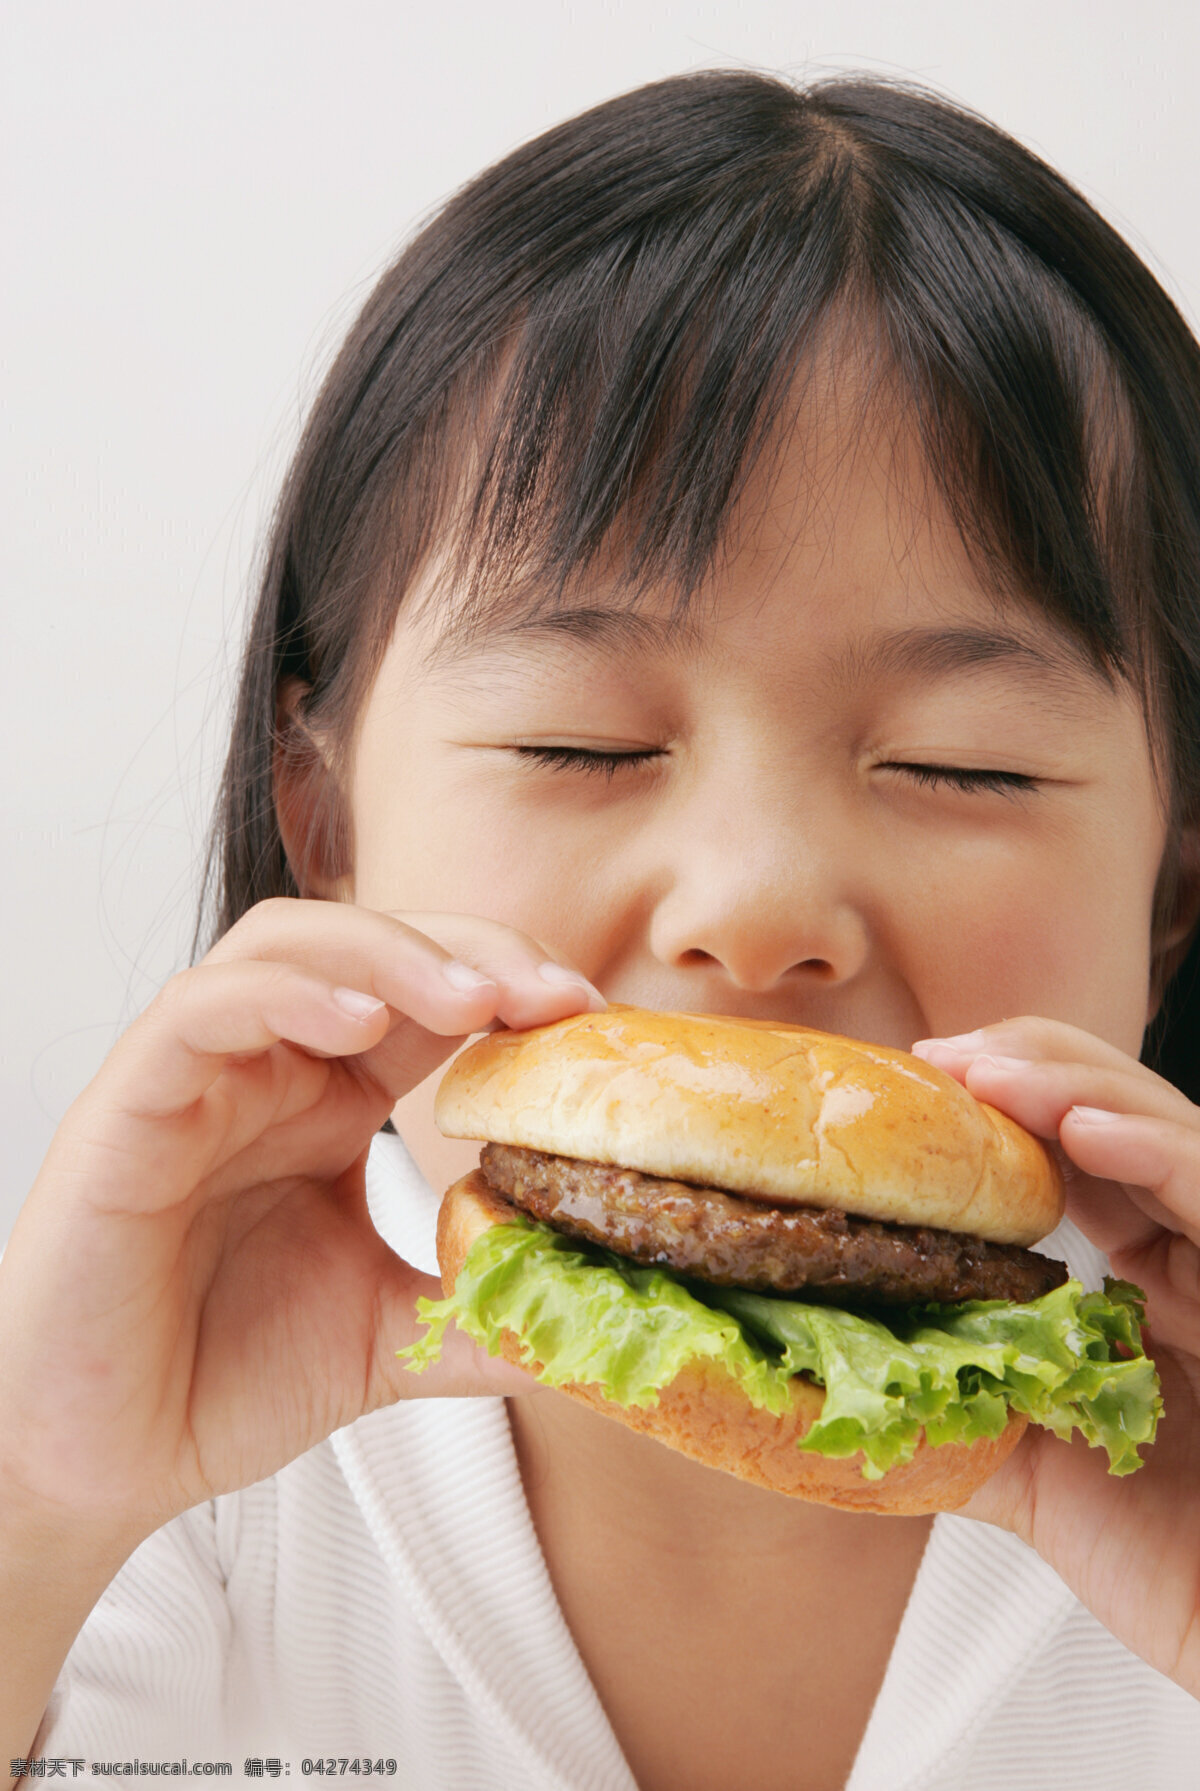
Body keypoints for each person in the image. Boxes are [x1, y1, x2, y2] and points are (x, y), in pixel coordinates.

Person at [4, 68, 1200, 1791]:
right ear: (325, 832)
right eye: (584, 743)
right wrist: (34, 1508)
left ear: (1170, 901)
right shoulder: (157, 1520)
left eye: (962, 766)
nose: (757, 905)